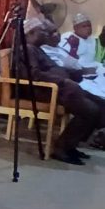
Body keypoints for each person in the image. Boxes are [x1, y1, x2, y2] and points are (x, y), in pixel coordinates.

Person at [17, 18, 105, 165]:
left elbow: (53, 69)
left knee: (100, 105)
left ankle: (71, 146)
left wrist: (76, 73)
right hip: (44, 91)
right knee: (90, 111)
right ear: (30, 33)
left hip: (61, 88)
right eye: (42, 31)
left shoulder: (37, 49)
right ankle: (61, 148)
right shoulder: (27, 49)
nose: (46, 34)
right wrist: (63, 81)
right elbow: (34, 75)